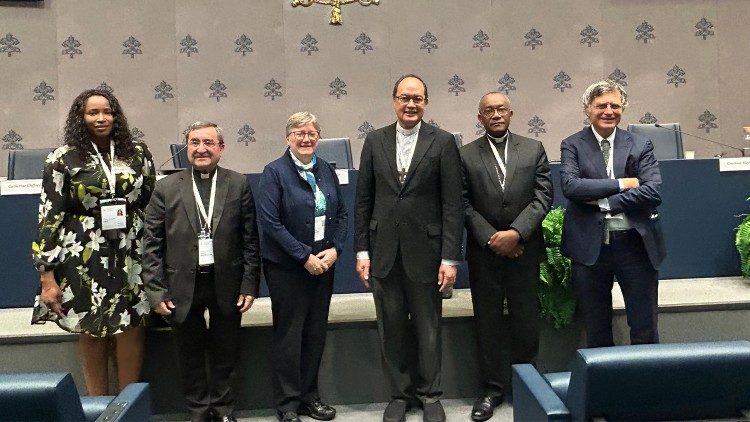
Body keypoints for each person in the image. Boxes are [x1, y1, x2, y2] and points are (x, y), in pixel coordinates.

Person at [32, 89, 155, 395]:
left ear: (117, 116)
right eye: (93, 113)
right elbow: (49, 215)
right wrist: (47, 276)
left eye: (108, 111)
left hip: (131, 251)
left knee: (132, 325)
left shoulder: (137, 154)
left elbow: (152, 204)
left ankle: (129, 407)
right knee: (91, 326)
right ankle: (96, 407)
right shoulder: (63, 158)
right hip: (82, 252)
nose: (102, 118)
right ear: (80, 117)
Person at [354, 74, 463, 422]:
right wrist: (362, 252)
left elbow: (452, 205)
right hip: (384, 251)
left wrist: (449, 257)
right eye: (404, 98)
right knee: (391, 325)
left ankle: (430, 395)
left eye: (417, 98)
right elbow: (363, 200)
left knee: (429, 327)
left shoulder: (443, 142)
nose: (410, 104)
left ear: (426, 102)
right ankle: (399, 395)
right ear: (394, 100)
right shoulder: (374, 140)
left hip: (427, 253)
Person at [142, 121, 260, 422]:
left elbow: (250, 239)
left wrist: (249, 284)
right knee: (188, 353)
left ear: (221, 148)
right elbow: (151, 243)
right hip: (180, 284)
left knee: (226, 351)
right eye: (194, 142)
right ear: (186, 148)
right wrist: (156, 290)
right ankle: (197, 410)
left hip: (227, 283)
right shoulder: (166, 187)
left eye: (208, 142)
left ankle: (223, 409)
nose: (201, 148)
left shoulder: (238, 183)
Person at [460, 92, 553, 421]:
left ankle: (526, 384)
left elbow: (543, 196)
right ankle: (491, 389)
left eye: (501, 109)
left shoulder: (534, 148)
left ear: (511, 113)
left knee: (526, 320)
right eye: (488, 111)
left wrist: (516, 233)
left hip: (523, 250)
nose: (496, 114)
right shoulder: (465, 154)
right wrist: (492, 238)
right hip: (484, 253)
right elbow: (463, 202)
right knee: (487, 323)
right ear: (480, 118)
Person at [560, 80, 666, 348]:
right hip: (590, 249)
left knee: (644, 328)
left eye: (615, 105)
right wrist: (624, 183)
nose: (608, 111)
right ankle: (606, 389)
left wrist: (605, 202)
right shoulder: (572, 144)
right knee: (596, 330)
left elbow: (653, 191)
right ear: (587, 109)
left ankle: (646, 387)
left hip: (635, 246)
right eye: (601, 105)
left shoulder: (641, 145)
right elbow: (572, 187)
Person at [257, 112, 348, 422]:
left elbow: (343, 216)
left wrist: (335, 250)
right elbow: (270, 223)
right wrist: (304, 256)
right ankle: (287, 405)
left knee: (315, 334)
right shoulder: (275, 172)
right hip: (288, 269)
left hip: (324, 264)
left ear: (318, 138)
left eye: (311, 133)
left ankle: (310, 397)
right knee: (290, 336)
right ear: (288, 139)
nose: (306, 138)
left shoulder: (326, 170)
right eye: (299, 133)